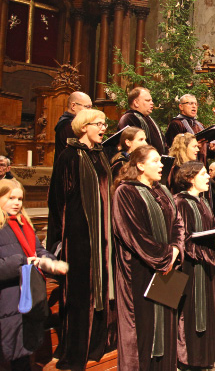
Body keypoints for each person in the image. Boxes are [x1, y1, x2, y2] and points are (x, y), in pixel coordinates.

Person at [47, 109, 117, 368]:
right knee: (81, 295)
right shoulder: (69, 155)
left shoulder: (101, 155)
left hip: (104, 236)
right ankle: (76, 348)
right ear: (83, 126)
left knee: (103, 290)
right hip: (79, 238)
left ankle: (100, 342)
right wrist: (58, 241)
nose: (103, 128)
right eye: (98, 124)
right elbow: (58, 200)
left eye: (104, 124)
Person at [111, 145, 185, 370]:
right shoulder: (125, 192)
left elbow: (178, 223)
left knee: (166, 327)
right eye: (155, 161)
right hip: (140, 270)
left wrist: (175, 249)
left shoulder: (161, 189)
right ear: (140, 166)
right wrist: (166, 255)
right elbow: (133, 234)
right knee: (144, 331)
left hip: (167, 266)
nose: (162, 165)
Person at [0, 179, 68, 371]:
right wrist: (21, 261)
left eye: (20, 199)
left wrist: (49, 262)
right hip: (7, 301)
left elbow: (37, 250)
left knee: (24, 355)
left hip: (27, 298)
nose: (17, 203)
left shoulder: (23, 224)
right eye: (10, 198)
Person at [173, 161, 215, 369]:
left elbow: (207, 231)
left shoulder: (202, 201)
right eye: (202, 174)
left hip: (206, 263)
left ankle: (204, 357)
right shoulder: (181, 202)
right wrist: (210, 244)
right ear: (190, 178)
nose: (208, 177)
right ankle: (190, 360)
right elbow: (182, 238)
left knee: (207, 309)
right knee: (191, 311)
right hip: (190, 267)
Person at [165, 94, 215, 161]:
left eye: (196, 104)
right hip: (187, 166)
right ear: (181, 106)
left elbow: (204, 150)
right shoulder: (176, 124)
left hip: (202, 164)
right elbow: (174, 149)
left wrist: (210, 148)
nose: (194, 106)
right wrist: (194, 146)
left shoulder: (199, 125)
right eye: (190, 103)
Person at [117, 87, 166, 155]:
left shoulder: (150, 119)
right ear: (136, 103)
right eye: (147, 100)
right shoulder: (129, 118)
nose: (152, 103)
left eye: (151, 100)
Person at [54, 91, 92, 163]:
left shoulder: (71, 123)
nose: (90, 111)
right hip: (67, 170)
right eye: (87, 107)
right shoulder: (68, 125)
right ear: (73, 106)